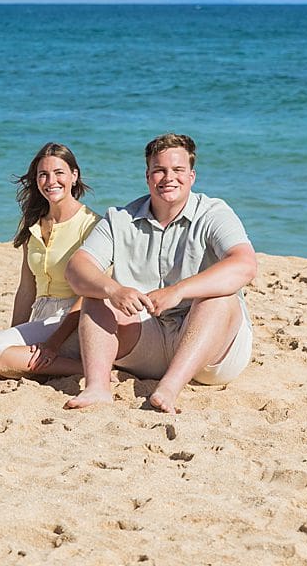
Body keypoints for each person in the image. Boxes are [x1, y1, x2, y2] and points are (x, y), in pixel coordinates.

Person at [64, 133, 257, 413]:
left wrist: (178, 291)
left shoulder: (214, 213)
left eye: (178, 170)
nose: (168, 178)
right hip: (147, 343)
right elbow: (76, 268)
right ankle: (97, 388)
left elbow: (245, 265)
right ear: (147, 175)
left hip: (209, 350)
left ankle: (169, 387)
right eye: (159, 170)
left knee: (221, 297)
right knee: (95, 294)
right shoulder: (120, 219)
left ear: (191, 176)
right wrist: (113, 290)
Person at [0, 142, 100, 385]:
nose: (51, 181)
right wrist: (13, 333)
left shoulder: (91, 225)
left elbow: (90, 295)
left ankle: (90, 369)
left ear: (74, 176)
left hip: (72, 319)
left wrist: (53, 343)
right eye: (43, 175)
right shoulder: (33, 225)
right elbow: (26, 289)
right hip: (39, 316)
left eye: (59, 173)